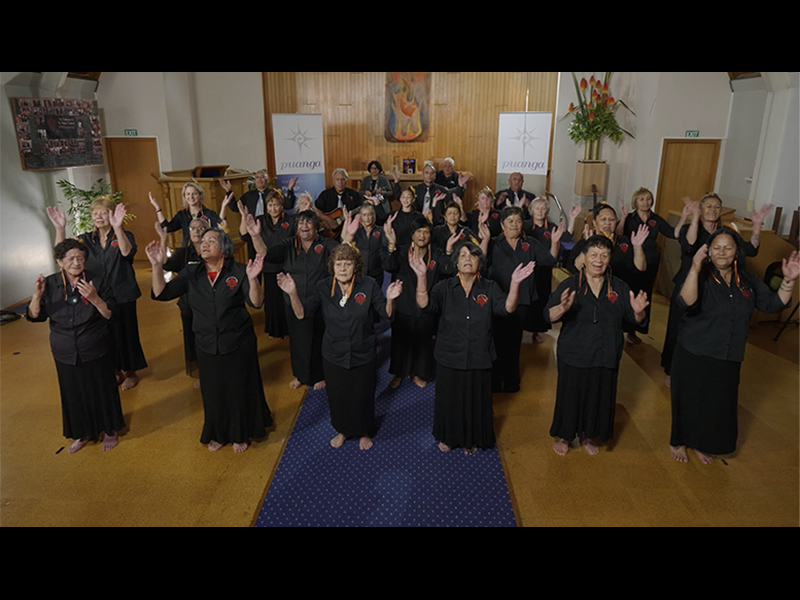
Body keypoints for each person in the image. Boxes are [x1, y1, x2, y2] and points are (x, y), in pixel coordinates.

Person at [669, 229, 797, 464]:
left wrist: (788, 280)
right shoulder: (701, 273)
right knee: (688, 399)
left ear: (737, 251)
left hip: (728, 352)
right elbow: (686, 301)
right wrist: (695, 268)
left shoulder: (747, 280)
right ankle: (678, 441)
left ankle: (702, 442)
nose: (722, 252)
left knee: (716, 404)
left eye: (728, 247)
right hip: (695, 350)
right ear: (709, 250)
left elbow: (773, 304)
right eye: (716, 247)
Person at [147, 228, 272, 453]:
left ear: (223, 247)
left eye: (211, 241)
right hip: (206, 343)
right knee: (213, 391)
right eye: (203, 241)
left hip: (237, 341)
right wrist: (157, 266)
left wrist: (253, 280)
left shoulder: (240, 270)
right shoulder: (191, 272)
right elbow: (161, 293)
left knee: (238, 388)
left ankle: (239, 432)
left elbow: (256, 302)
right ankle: (218, 432)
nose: (204, 244)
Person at [412, 242, 535, 454]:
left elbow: (506, 309)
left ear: (480, 262)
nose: (468, 259)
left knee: (475, 400)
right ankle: (448, 437)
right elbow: (424, 305)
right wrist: (421, 277)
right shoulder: (444, 287)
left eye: (473, 255)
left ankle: (472, 438)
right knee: (449, 399)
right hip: (449, 355)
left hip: (480, 354)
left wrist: (515, 284)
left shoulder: (489, 287)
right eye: (463, 255)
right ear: (456, 263)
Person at [277, 244, 403, 450]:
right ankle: (343, 430)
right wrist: (292, 294)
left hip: (363, 351)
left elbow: (386, 314)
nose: (343, 268)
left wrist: (390, 299)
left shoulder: (369, 285)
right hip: (333, 353)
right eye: (339, 263)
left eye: (348, 263)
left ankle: (364, 431)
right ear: (332, 266)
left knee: (362, 393)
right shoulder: (323, 287)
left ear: (356, 266)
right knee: (337, 395)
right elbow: (302, 314)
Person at [546, 235, 650, 456]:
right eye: (593, 254)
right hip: (574, 352)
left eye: (604, 255)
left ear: (609, 258)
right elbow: (548, 315)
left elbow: (634, 319)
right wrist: (562, 309)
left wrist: (639, 312)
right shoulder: (571, 284)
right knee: (570, 395)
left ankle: (588, 433)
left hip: (606, 353)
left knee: (599, 396)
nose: (598, 260)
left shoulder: (619, 287)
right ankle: (564, 435)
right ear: (584, 257)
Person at [27, 239, 124, 453]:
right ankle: (84, 432)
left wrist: (95, 298)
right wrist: (37, 295)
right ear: (60, 262)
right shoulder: (50, 283)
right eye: (70, 258)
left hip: (95, 346)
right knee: (73, 393)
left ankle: (109, 430)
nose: (76, 262)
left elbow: (111, 314)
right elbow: (34, 316)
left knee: (102, 389)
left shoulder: (97, 280)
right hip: (64, 350)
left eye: (80, 258)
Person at [660, 193, 768, 387]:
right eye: (708, 206)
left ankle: (699, 369)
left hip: (715, 288)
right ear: (701, 208)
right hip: (689, 284)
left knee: (705, 329)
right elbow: (690, 244)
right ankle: (670, 369)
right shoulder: (690, 228)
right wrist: (693, 218)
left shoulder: (725, 232)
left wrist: (757, 226)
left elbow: (751, 249)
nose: (712, 210)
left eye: (717, 206)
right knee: (677, 327)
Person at [47, 198, 147, 390]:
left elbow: (126, 252)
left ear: (111, 215)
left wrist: (118, 228)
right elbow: (62, 253)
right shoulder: (85, 239)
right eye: (95, 213)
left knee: (126, 333)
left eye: (103, 212)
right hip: (96, 294)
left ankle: (131, 372)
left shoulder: (124, 235)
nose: (98, 217)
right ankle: (115, 371)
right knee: (103, 335)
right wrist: (60, 229)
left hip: (122, 293)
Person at [256, 210, 341, 390]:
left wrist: (348, 233)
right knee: (297, 340)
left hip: (319, 302)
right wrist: (255, 235)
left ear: (316, 226)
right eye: (301, 223)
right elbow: (265, 253)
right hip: (293, 301)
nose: (304, 226)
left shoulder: (325, 244)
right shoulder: (288, 245)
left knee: (319, 339)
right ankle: (301, 375)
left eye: (308, 223)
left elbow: (343, 252)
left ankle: (320, 375)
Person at [484, 205, 563, 393]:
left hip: (522, 301)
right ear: (502, 225)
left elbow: (550, 259)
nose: (515, 225)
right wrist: (485, 240)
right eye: (510, 221)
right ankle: (495, 381)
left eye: (518, 221)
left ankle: (511, 381)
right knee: (495, 340)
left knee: (513, 342)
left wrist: (555, 242)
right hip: (497, 299)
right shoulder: (494, 243)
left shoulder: (531, 243)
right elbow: (480, 261)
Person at [382, 214, 454, 389]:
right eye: (418, 232)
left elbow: (448, 268)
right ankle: (400, 372)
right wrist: (391, 244)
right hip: (404, 305)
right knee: (401, 341)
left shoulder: (435, 253)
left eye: (426, 232)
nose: (422, 236)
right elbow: (389, 265)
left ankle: (417, 373)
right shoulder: (402, 250)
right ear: (412, 234)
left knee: (423, 342)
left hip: (426, 305)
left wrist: (449, 250)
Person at [614, 187, 688, 344]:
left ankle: (635, 329)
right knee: (628, 292)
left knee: (644, 294)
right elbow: (619, 234)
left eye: (648, 199)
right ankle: (620, 327)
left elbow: (673, 233)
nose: (645, 202)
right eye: (642, 199)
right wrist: (623, 217)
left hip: (651, 261)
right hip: (632, 260)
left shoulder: (656, 219)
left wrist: (684, 217)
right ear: (635, 201)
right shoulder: (631, 218)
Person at [155, 216, 209, 386]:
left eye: (200, 228)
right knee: (192, 340)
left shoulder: (213, 249)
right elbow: (165, 264)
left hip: (209, 304)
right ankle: (201, 373)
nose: (197, 232)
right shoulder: (183, 252)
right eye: (193, 228)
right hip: (188, 305)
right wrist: (163, 239)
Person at [524, 197, 581, 342]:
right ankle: (522, 328)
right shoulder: (524, 226)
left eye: (543, 208)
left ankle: (537, 330)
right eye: (537, 208)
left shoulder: (550, 226)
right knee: (526, 298)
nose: (540, 211)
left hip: (544, 269)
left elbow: (567, 237)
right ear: (531, 210)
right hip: (527, 269)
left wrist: (573, 218)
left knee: (542, 298)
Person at [238, 193, 294, 338]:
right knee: (272, 301)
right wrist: (244, 217)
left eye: (276, 204)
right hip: (268, 267)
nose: (273, 208)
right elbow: (244, 236)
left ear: (282, 206)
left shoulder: (291, 220)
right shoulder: (260, 221)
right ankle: (274, 330)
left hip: (287, 266)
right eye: (270, 205)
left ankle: (288, 330)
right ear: (266, 207)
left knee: (286, 300)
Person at [219, 170, 297, 262]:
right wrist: (228, 191)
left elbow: (288, 205)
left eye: (262, 177)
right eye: (257, 177)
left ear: (267, 180)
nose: (260, 180)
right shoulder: (248, 195)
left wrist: (290, 189)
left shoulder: (274, 194)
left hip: (270, 233)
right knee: (255, 262)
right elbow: (235, 207)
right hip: (253, 233)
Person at [390, 161, 465, 225]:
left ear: (435, 176)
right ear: (422, 174)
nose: (429, 175)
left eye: (432, 173)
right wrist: (396, 182)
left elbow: (454, 196)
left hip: (436, 223)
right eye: (427, 173)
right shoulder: (414, 189)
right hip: (416, 222)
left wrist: (460, 186)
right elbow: (400, 197)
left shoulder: (442, 190)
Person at [150, 183, 222, 248]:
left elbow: (220, 225)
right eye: (188, 194)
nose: (191, 197)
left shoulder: (208, 213)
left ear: (200, 195)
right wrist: (158, 209)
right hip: (187, 251)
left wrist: (224, 206)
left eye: (194, 194)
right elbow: (167, 228)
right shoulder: (182, 214)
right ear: (184, 196)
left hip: (205, 248)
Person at [315, 168, 363, 236]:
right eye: (337, 179)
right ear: (333, 181)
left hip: (349, 231)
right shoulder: (325, 194)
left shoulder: (354, 195)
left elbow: (361, 210)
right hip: (328, 233)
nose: (340, 182)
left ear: (346, 180)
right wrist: (329, 220)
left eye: (343, 179)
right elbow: (317, 211)